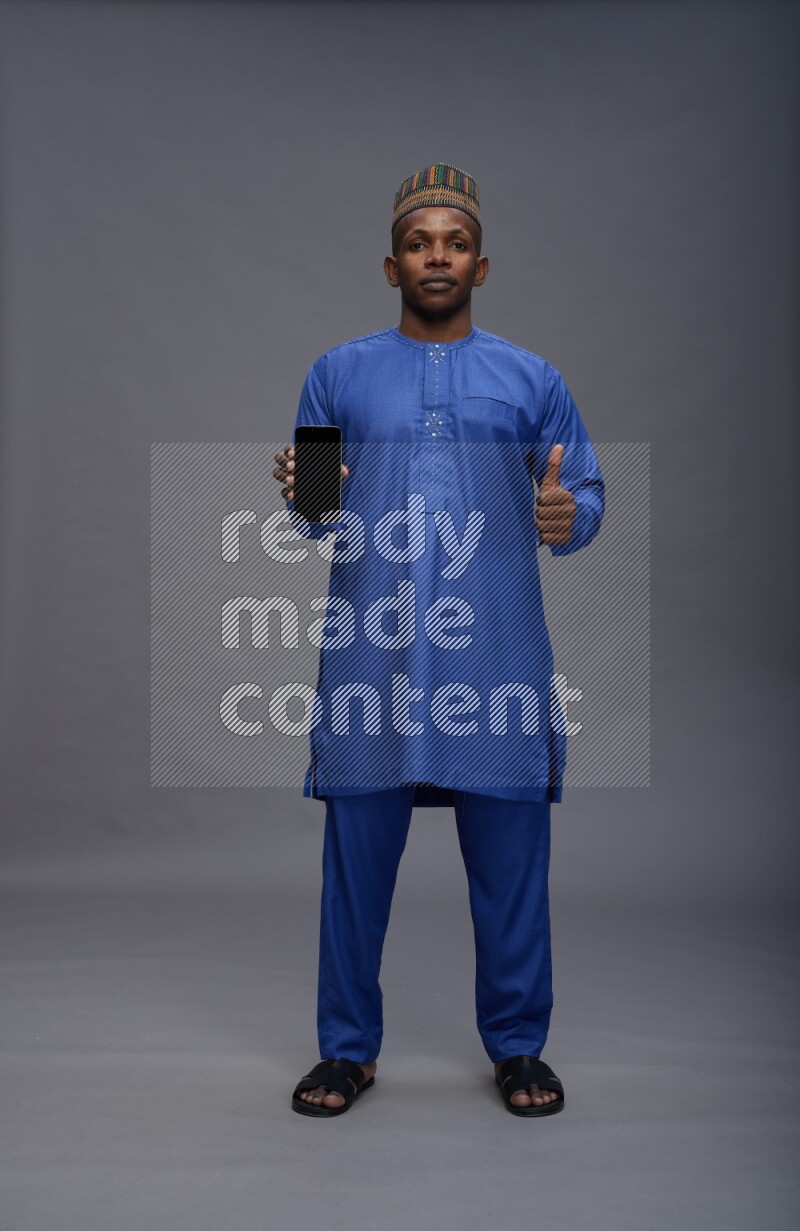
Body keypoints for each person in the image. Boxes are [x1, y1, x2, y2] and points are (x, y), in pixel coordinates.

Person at [273, 163, 604, 1117]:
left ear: (482, 265)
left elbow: (583, 496)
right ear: (391, 264)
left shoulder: (530, 378)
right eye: (420, 242)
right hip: (372, 659)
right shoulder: (337, 373)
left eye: (454, 242)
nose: (437, 256)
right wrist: (305, 493)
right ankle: (346, 1050)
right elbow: (320, 516)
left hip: (494, 657)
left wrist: (563, 514)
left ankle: (518, 1047)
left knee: (511, 869)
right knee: (355, 868)